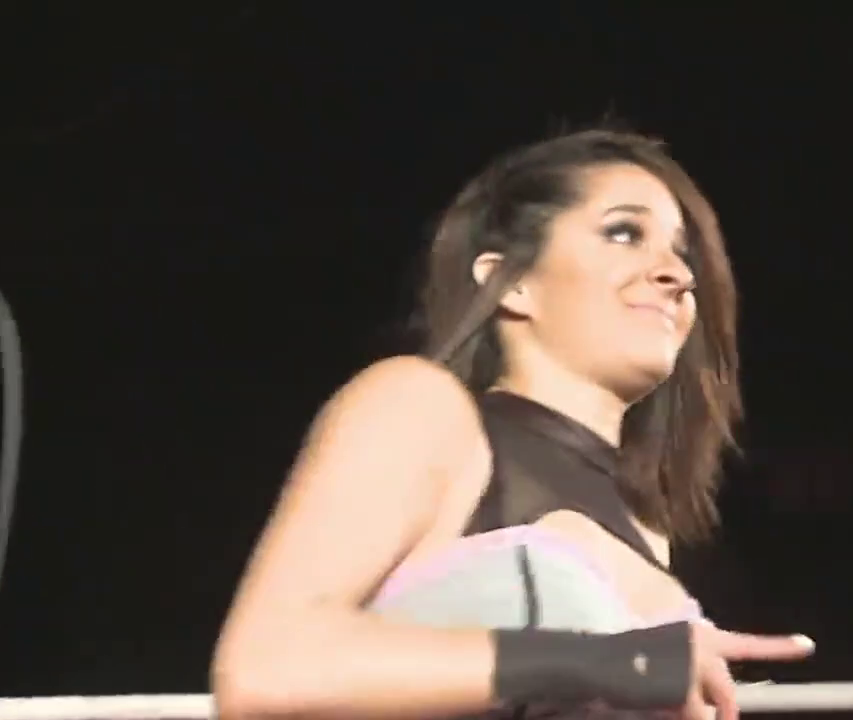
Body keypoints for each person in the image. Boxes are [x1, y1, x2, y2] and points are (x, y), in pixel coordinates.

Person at [211, 128, 814, 720]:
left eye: (682, 255)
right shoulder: (421, 408)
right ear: (512, 281)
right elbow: (267, 668)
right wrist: (601, 662)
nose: (678, 275)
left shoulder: (647, 526)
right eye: (624, 233)